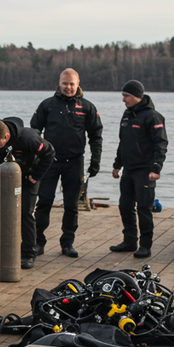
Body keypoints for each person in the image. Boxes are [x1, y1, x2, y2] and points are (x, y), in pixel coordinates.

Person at [30, 68, 104, 258]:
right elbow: (34, 132)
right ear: (59, 83)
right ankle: (38, 242)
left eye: (72, 84)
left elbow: (96, 135)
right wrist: (34, 159)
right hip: (50, 162)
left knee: (71, 205)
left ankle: (67, 243)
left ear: (78, 83)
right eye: (65, 83)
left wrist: (95, 161)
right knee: (44, 202)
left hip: (75, 162)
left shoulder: (87, 107)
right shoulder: (47, 105)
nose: (68, 87)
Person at [110, 80, 167, 259]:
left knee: (144, 207)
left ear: (137, 96)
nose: (123, 100)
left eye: (126, 96)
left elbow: (161, 144)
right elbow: (123, 143)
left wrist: (156, 168)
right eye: (122, 96)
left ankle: (145, 245)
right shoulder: (127, 115)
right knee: (125, 205)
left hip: (145, 170)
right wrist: (117, 165)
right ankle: (129, 241)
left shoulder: (153, 116)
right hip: (129, 169)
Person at [0, 117, 54, 269]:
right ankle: (4, 249)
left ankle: (29, 252)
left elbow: (50, 153)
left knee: (25, 213)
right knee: (1, 211)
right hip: (7, 177)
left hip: (29, 177)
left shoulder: (29, 138)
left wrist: (36, 175)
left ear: (7, 137)